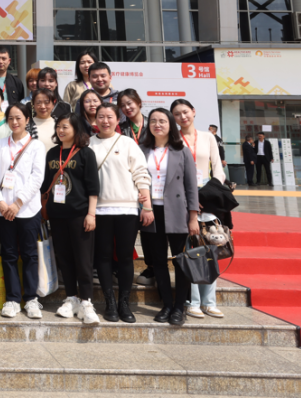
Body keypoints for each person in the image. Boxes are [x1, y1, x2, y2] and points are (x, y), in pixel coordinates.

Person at [89, 102, 152, 323]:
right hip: (99, 210)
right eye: (101, 116)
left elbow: (141, 173)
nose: (105, 121)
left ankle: (124, 303)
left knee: (125, 257)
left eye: (110, 117)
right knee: (103, 257)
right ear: (95, 120)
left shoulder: (127, 143)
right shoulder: (88, 144)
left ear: (117, 120)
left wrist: (147, 206)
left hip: (127, 209)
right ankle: (110, 303)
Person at [139, 108, 201, 326]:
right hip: (150, 212)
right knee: (158, 261)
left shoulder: (181, 150)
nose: (157, 125)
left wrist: (193, 217)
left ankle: (179, 307)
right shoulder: (142, 149)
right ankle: (166, 304)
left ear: (170, 125)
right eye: (153, 121)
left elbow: (191, 186)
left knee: (180, 260)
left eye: (162, 121)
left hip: (176, 211)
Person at [40, 113, 101, 324]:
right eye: (58, 126)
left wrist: (91, 214)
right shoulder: (52, 153)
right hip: (57, 215)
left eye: (65, 126)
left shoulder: (86, 153)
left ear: (76, 129)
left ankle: (86, 302)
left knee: (83, 260)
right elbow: (45, 185)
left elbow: (93, 187)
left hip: (80, 214)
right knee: (64, 258)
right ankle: (71, 298)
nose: (61, 130)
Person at [0, 103, 46, 319]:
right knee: (9, 253)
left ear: (27, 119)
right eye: (11, 118)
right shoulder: (0, 145)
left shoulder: (36, 146)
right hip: (3, 210)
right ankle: (12, 299)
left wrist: (18, 203)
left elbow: (37, 178)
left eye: (19, 118)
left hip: (28, 209)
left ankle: (31, 299)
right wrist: (0, 201)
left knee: (30, 254)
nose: (14, 122)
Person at [171, 98, 227, 320]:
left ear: (193, 112)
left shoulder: (208, 137)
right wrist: (191, 198)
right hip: (183, 200)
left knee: (210, 249)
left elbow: (218, 169)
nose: (182, 117)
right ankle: (193, 301)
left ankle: (209, 302)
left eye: (185, 112)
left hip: (208, 200)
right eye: (177, 114)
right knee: (190, 251)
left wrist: (208, 194)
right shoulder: (173, 139)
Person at [30, 89, 60, 153]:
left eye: (46, 103)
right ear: (33, 105)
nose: (43, 107)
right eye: (38, 103)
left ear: (53, 105)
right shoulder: (27, 125)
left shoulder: (59, 124)